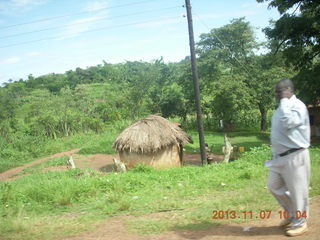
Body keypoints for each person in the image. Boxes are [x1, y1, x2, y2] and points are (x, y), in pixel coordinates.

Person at [266, 78, 311, 237]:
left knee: (298, 192)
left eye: (279, 91)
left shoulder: (297, 106)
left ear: (289, 90)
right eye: (276, 91)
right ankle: (292, 214)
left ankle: (301, 223)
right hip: (279, 157)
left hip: (295, 155)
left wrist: (285, 101)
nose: (277, 94)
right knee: (273, 186)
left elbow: (289, 123)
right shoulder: (281, 107)